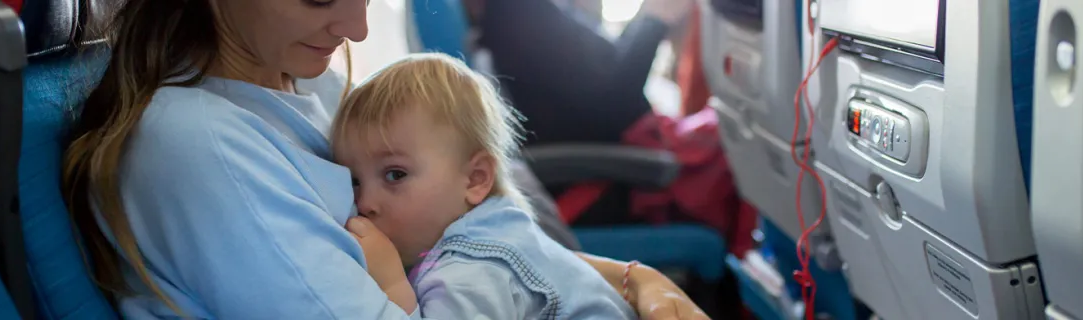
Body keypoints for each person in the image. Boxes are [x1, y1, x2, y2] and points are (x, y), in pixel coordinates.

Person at [59, 0, 710, 319]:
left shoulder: (305, 85)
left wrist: (633, 278)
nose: (357, 28)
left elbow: (471, 235)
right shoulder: (195, 148)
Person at [331, 53, 637, 319]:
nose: (365, 202)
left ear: (476, 179)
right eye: (354, 181)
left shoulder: (471, 271)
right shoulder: (500, 224)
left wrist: (391, 285)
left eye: (395, 175)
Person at [464, 0, 695, 146]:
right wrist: (655, 20)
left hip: (607, 151)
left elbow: (603, 67)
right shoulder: (520, 14)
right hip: (607, 174)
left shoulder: (526, 12)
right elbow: (614, 103)